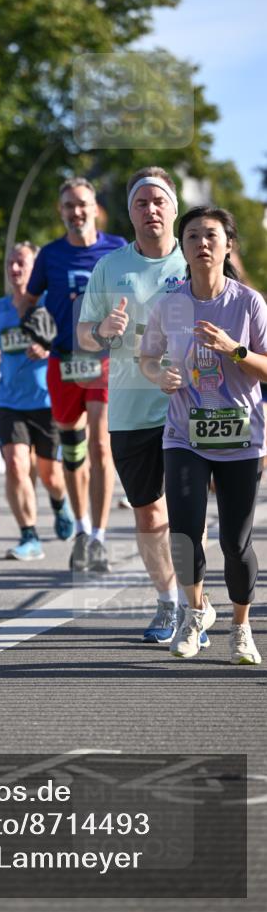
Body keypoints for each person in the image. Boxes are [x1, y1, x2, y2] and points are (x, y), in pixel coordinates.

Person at [77, 166, 198, 645]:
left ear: (174, 207)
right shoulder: (110, 267)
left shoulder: (194, 259)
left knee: (186, 515)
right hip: (130, 409)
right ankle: (167, 601)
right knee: (148, 513)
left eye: (158, 201)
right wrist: (101, 330)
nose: (151, 210)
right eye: (141, 203)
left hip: (188, 405)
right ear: (130, 213)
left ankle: (193, 606)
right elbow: (84, 335)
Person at [140, 206, 267, 663]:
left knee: (235, 542)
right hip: (184, 435)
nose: (202, 243)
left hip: (240, 438)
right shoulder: (169, 305)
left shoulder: (248, 303)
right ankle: (193, 615)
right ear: (183, 247)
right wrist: (159, 375)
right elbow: (147, 357)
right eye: (192, 235)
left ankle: (241, 627)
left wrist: (234, 350)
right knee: (185, 533)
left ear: (228, 245)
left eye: (211, 235)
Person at [20, 178, 125, 573]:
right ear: (60, 211)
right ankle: (81, 529)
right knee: (73, 450)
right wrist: (34, 329)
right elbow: (27, 302)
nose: (76, 212)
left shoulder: (117, 249)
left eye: (82, 204)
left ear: (95, 207)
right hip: (63, 361)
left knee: (100, 445)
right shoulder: (50, 254)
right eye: (68, 205)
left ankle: (99, 536)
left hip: (104, 358)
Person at [0, 242, 73, 559]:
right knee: (16, 466)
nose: (14, 269)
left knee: (50, 475)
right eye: (10, 263)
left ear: (35, 268)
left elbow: (70, 339)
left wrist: (47, 348)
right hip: (10, 402)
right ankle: (29, 536)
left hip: (47, 400)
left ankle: (60, 504)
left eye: (21, 263)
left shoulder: (48, 303)